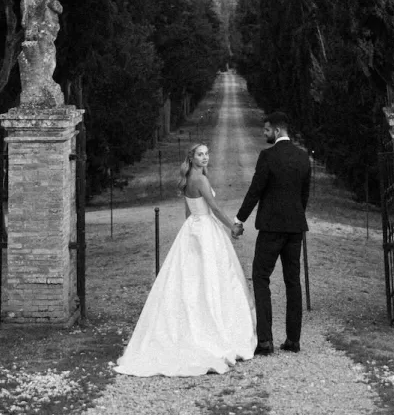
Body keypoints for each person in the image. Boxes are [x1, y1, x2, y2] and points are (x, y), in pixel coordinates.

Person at [116, 141, 256, 376]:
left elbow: (188, 211)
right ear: (191, 158)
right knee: (212, 275)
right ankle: (214, 327)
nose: (205, 158)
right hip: (206, 228)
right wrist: (232, 227)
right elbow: (214, 208)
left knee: (192, 276)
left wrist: (189, 230)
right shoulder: (200, 179)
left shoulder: (188, 178)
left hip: (193, 227)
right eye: (200, 154)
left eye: (207, 154)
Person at [234, 110, 311, 355]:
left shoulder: (267, 157)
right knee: (292, 282)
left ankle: (265, 341)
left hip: (270, 228)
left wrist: (239, 219)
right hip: (295, 228)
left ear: (277, 131)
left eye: (266, 130)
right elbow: (304, 195)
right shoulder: (303, 157)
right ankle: (293, 340)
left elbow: (255, 191)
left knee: (260, 277)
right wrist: (295, 216)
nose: (264, 134)